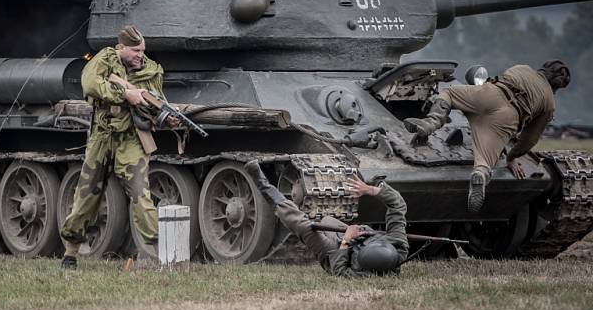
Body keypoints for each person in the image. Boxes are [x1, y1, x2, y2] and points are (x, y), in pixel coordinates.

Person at [59, 25, 166, 268]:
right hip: (102, 135)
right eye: (135, 50)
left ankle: (156, 255)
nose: (140, 55)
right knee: (86, 196)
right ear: (121, 48)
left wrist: (153, 107)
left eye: (142, 50)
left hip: (131, 137)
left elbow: (156, 99)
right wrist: (125, 94)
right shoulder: (104, 59)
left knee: (141, 193)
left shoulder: (152, 70)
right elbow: (90, 85)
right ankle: (70, 253)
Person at [403, 60, 571, 213]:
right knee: (485, 159)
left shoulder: (523, 68)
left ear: (544, 68)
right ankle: (480, 175)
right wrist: (512, 157)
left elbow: (499, 79)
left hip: (489, 94)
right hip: (507, 118)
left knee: (449, 94)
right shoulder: (549, 103)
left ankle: (431, 123)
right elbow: (529, 138)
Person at [244, 160, 409, 277]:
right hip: (356, 235)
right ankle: (321, 222)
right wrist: (371, 190)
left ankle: (263, 184)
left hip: (335, 253)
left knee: (303, 225)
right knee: (326, 221)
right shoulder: (397, 244)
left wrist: (345, 242)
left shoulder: (359, 273)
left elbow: (339, 270)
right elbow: (398, 205)